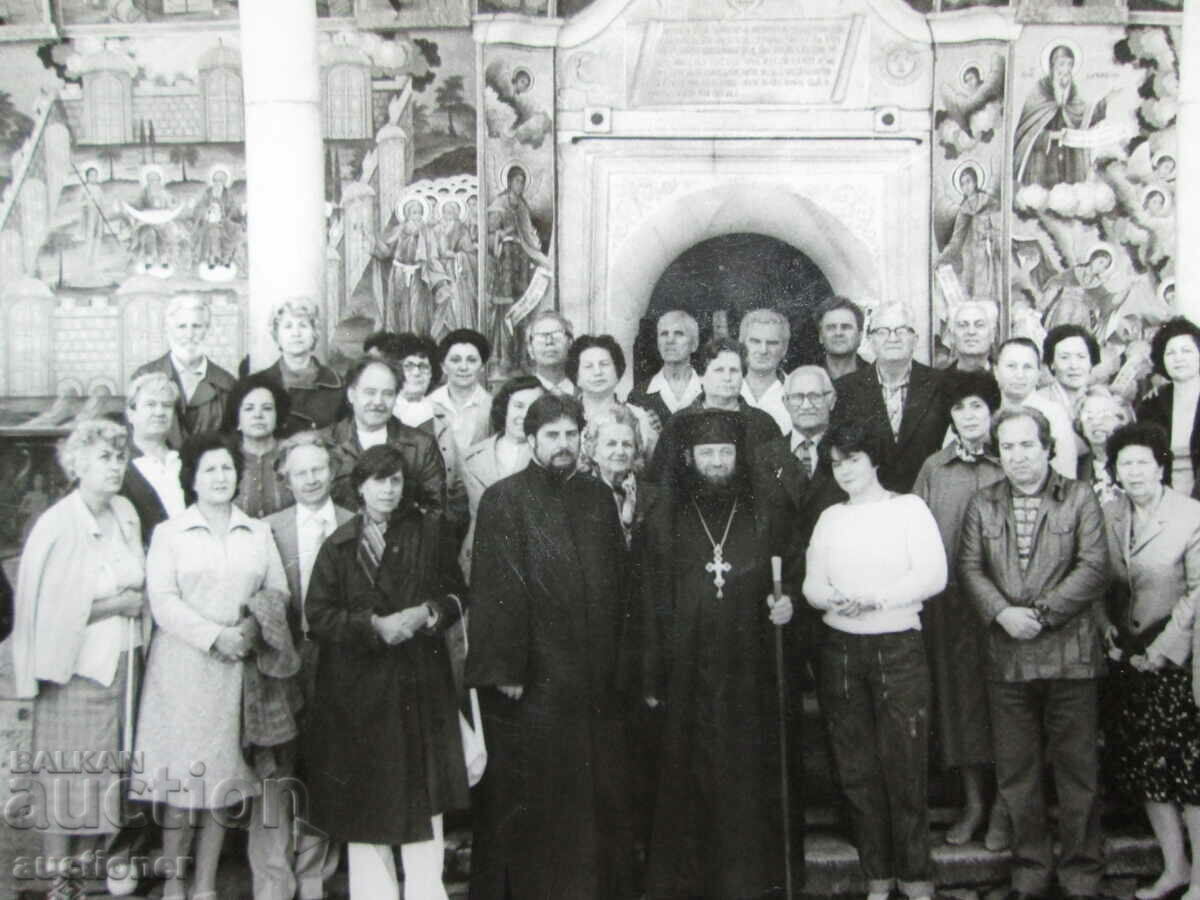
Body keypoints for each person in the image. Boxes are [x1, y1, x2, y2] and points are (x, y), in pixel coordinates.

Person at [466, 393, 635, 900]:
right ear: (533, 440)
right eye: (552, 436)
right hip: (533, 679)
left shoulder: (596, 496)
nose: (563, 445)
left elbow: (619, 584)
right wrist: (506, 668)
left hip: (591, 677)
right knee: (536, 797)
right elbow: (494, 589)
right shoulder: (504, 499)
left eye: (570, 435)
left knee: (593, 794)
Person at [637, 408, 796, 898]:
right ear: (688, 458)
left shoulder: (763, 509)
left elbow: (791, 569)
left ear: (738, 457)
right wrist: (650, 674)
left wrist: (787, 601)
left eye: (724, 453)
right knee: (686, 771)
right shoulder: (665, 515)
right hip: (683, 666)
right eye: (706, 454)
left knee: (744, 771)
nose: (716, 463)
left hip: (747, 666)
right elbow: (648, 598)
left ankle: (748, 880)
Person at [303, 444, 469, 900]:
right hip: (358, 694)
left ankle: (425, 893)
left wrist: (427, 614)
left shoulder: (430, 533)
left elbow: (457, 594)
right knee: (366, 803)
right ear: (360, 487)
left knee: (425, 800)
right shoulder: (338, 546)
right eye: (379, 480)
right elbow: (317, 615)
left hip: (419, 685)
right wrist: (372, 626)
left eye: (396, 480)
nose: (389, 489)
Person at [959, 407, 1109, 900]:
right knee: (1017, 770)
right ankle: (1029, 870)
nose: (1018, 456)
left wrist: (1040, 616)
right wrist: (1002, 613)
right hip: (1007, 656)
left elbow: (1093, 567)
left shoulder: (1080, 497)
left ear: (1047, 447)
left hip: (1071, 654)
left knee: (1076, 770)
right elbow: (970, 568)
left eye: (1027, 445)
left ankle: (1082, 874)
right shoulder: (983, 503)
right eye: (1008, 447)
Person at [132, 431, 290, 900]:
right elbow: (161, 601)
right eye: (210, 470)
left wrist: (247, 630)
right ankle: (175, 884)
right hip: (181, 671)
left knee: (222, 785)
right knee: (181, 786)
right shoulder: (170, 532)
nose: (220, 477)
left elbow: (277, 591)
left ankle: (205, 886)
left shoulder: (257, 532)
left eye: (227, 468)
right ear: (192, 479)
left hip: (235, 671)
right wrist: (213, 635)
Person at [804, 421, 946, 900]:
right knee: (856, 772)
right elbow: (812, 584)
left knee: (904, 768)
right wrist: (834, 601)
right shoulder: (829, 519)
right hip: (841, 652)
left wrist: (876, 600)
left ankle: (917, 879)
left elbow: (932, 574)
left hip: (897, 648)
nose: (845, 470)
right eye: (837, 462)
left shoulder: (908, 509)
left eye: (854, 460)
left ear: (875, 460)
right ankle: (878, 880)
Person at [12, 419, 146, 898]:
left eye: (120, 457)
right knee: (65, 773)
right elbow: (43, 607)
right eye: (105, 458)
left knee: (106, 775)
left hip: (124, 665)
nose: (116, 467)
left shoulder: (126, 512)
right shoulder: (57, 524)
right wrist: (116, 605)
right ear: (78, 464)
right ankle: (57, 880)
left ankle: (89, 875)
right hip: (74, 670)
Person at [1098, 422, 1200, 900]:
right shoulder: (1109, 513)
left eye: (1142, 461)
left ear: (1161, 464)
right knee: (1146, 769)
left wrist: (1162, 651)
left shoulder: (1190, 515)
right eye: (1125, 463)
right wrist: (1107, 633)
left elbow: (1198, 592)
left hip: (1177, 662)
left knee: (1188, 774)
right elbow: (1096, 579)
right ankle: (1174, 868)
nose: (1134, 470)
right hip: (1128, 659)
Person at [912, 371, 1009, 849]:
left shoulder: (1009, 460)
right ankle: (974, 804)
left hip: (1006, 607)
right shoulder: (935, 467)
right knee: (961, 709)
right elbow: (917, 531)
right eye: (959, 408)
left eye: (977, 407)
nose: (969, 416)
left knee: (1007, 707)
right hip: (950, 608)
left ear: (991, 410)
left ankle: (1006, 810)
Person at [258, 432, 353, 900]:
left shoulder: (356, 523)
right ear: (285, 478)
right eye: (300, 472)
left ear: (333, 471)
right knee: (277, 769)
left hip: (338, 662)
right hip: (283, 662)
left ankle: (314, 874)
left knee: (328, 765)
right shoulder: (268, 529)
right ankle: (274, 880)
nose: (311, 478)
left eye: (318, 468)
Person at [829, 304, 952, 493]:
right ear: (870, 339)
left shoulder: (942, 385)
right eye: (882, 331)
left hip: (927, 498)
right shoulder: (845, 390)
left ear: (915, 339)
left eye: (902, 330)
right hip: (867, 503)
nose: (892, 338)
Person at [365, 332, 468, 533]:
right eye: (409, 365)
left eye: (424, 366)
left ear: (432, 373)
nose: (417, 372)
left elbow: (455, 478)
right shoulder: (382, 415)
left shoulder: (444, 417)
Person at [647, 337, 783, 482]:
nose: (727, 377)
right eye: (719, 370)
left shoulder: (763, 424)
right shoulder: (679, 423)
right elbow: (660, 482)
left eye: (734, 370)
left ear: (742, 376)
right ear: (701, 376)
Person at [328, 357, 446, 515]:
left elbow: (435, 510)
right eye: (370, 392)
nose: (378, 402)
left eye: (388, 394)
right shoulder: (326, 443)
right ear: (351, 395)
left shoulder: (421, 445)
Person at [458, 375, 543, 579]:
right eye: (519, 406)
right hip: (478, 562)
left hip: (531, 565)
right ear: (505, 407)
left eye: (533, 407)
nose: (524, 414)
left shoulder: (546, 457)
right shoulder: (471, 457)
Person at [132, 293, 236, 448]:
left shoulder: (227, 384)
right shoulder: (144, 376)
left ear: (207, 329)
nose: (189, 335)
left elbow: (231, 441)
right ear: (168, 329)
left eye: (196, 326)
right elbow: (134, 438)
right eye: (181, 326)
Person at [1014, 43, 1108, 189]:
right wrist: (1051, 136)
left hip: (1069, 159)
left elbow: (1084, 120)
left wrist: (1104, 103)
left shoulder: (1074, 93)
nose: (1066, 70)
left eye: (1070, 64)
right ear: (1052, 66)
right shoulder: (1039, 91)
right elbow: (1026, 134)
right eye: (1062, 64)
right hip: (1042, 161)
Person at [487, 167, 551, 373]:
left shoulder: (522, 205)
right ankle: (505, 358)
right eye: (516, 180)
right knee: (506, 309)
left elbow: (529, 233)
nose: (520, 185)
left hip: (522, 258)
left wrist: (534, 245)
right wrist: (506, 232)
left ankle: (522, 357)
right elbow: (490, 231)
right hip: (506, 257)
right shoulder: (500, 203)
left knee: (523, 309)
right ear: (508, 181)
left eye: (522, 181)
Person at [257, 297, 345, 433]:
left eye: (303, 325)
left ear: (314, 333)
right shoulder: (258, 384)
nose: (296, 333)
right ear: (276, 335)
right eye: (288, 326)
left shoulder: (337, 384)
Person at [993, 337, 1077, 479]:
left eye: (1027, 367)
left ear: (1038, 374)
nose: (1020, 375)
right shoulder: (986, 412)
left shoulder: (1053, 415)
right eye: (1011, 366)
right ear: (996, 371)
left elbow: (1065, 477)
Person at [120, 371, 186, 546]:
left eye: (167, 405)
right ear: (131, 414)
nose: (159, 412)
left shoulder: (185, 462)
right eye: (150, 404)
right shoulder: (120, 466)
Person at [1136, 317, 1200, 499]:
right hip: (1163, 501)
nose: (1178, 358)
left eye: (1186, 351)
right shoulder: (1151, 404)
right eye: (1170, 353)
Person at [568, 334, 659, 459]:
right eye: (588, 366)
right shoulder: (565, 415)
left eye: (604, 364)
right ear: (576, 375)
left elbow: (652, 469)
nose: (597, 372)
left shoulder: (640, 417)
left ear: (617, 370)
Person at [223, 373, 294, 518]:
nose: (258, 415)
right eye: (249, 408)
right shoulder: (223, 459)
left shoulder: (293, 454)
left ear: (278, 415)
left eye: (267, 408)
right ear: (237, 418)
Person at [937, 165, 1003, 309]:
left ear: (975, 182)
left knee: (992, 295)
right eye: (962, 183)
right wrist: (943, 257)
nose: (965, 186)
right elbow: (957, 238)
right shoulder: (964, 209)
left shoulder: (990, 203)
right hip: (972, 258)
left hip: (990, 257)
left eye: (968, 181)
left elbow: (1000, 228)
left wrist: (992, 236)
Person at [428, 329, 494, 461]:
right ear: (443, 366)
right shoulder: (428, 405)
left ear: (482, 367)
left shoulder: (493, 406)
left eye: (471, 360)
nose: (463, 367)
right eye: (455, 360)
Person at [628, 310, 703, 426]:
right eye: (664, 334)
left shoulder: (708, 390)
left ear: (694, 344)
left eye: (679, 334)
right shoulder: (639, 395)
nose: (670, 340)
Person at [1036, 324, 1100, 450]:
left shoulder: (1102, 398)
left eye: (1081, 357)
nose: (1074, 365)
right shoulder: (1038, 402)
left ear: (1091, 362)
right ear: (1052, 363)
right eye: (1064, 357)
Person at [1075, 385, 1135, 504]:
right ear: (1081, 426)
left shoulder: (1134, 463)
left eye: (1105, 415)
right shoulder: (1076, 468)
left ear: (1122, 421)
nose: (1096, 422)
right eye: (1089, 417)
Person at [739, 308, 793, 435]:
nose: (763, 350)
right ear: (741, 344)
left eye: (772, 343)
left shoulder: (798, 392)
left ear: (784, 349)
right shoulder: (723, 386)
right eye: (755, 341)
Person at [814, 295, 865, 381]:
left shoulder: (874, 377)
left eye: (846, 327)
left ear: (860, 335)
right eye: (831, 327)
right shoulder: (805, 376)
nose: (838, 333)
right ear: (821, 336)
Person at [525, 310, 576, 394]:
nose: (549, 342)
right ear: (530, 349)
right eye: (541, 336)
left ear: (570, 343)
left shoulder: (585, 394)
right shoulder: (520, 396)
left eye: (557, 335)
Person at [945, 300, 997, 372]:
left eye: (979, 325)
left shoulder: (1007, 380)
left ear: (992, 334)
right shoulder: (937, 382)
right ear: (952, 335)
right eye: (962, 325)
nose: (971, 332)